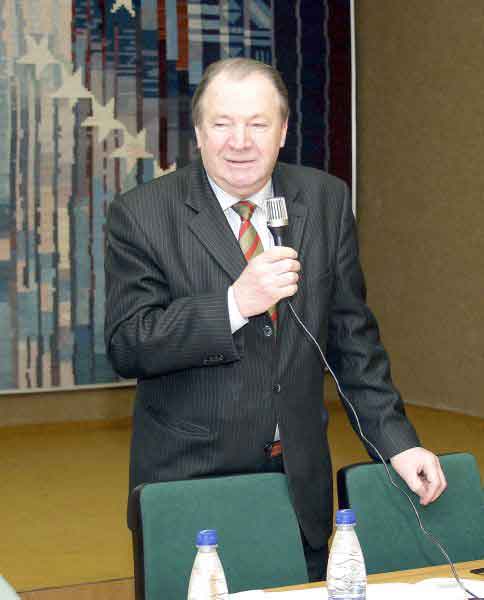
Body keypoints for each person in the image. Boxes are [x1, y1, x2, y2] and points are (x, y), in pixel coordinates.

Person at [104, 57, 447, 582]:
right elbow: (130, 343)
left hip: (299, 485)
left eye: (258, 124)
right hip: (191, 485)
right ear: (199, 132)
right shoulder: (142, 214)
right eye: (222, 123)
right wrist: (234, 303)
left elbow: (352, 341)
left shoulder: (325, 199)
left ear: (283, 131)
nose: (240, 141)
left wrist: (396, 443)